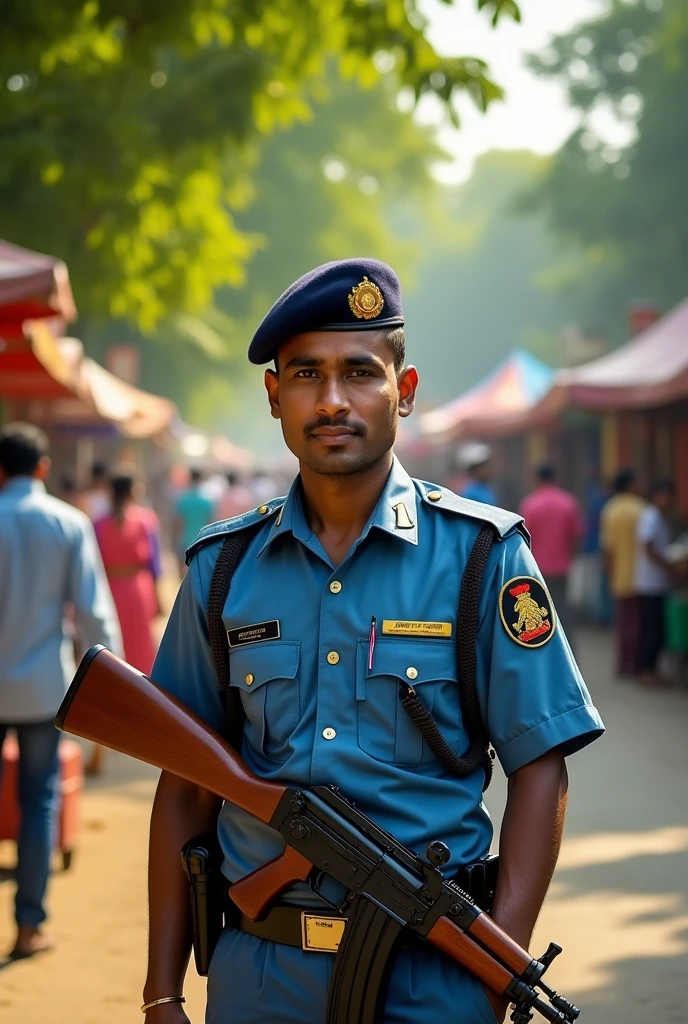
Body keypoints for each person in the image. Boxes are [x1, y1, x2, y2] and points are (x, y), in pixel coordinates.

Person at [144, 260, 604, 1024]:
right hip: (259, 978)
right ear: (273, 395)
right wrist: (163, 990)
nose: (332, 400)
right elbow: (187, 781)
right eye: (305, 374)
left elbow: (540, 765)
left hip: (433, 975)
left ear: (407, 389)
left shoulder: (482, 559)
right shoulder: (221, 570)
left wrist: (500, 964)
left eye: (360, 372)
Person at [0, 423, 121, 958]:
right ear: (43, 468)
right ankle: (29, 927)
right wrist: (116, 686)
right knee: (39, 798)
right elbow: (94, 614)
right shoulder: (69, 524)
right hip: (43, 686)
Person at [94, 464, 163, 676]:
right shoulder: (145, 520)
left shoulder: (99, 523)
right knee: (140, 645)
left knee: (113, 643)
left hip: (110, 589)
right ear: (133, 490)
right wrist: (159, 598)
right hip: (138, 590)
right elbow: (154, 564)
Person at [518, 463, 583, 650]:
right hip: (562, 567)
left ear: (537, 479)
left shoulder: (530, 504)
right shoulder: (568, 502)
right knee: (563, 610)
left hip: (536, 569)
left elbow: (523, 540)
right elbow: (576, 535)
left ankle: (544, 651)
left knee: (538, 614)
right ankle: (568, 652)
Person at [599, 469, 646, 677]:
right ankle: (637, 665)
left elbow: (608, 548)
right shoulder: (641, 509)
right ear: (629, 485)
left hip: (620, 574)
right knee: (639, 622)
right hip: (644, 576)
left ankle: (622, 665)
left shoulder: (610, 510)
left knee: (623, 622)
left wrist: (608, 572)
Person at [634, 479, 675, 687]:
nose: (666, 499)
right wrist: (668, 565)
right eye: (663, 495)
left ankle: (652, 669)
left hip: (659, 583)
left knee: (658, 629)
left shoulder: (660, 517)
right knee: (652, 629)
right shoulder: (651, 516)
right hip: (650, 583)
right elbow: (648, 546)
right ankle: (646, 669)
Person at [172, 468, 214, 575]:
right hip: (202, 539)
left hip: (184, 539)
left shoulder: (183, 498)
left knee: (182, 572)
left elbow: (178, 522)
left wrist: (174, 539)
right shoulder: (207, 500)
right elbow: (211, 521)